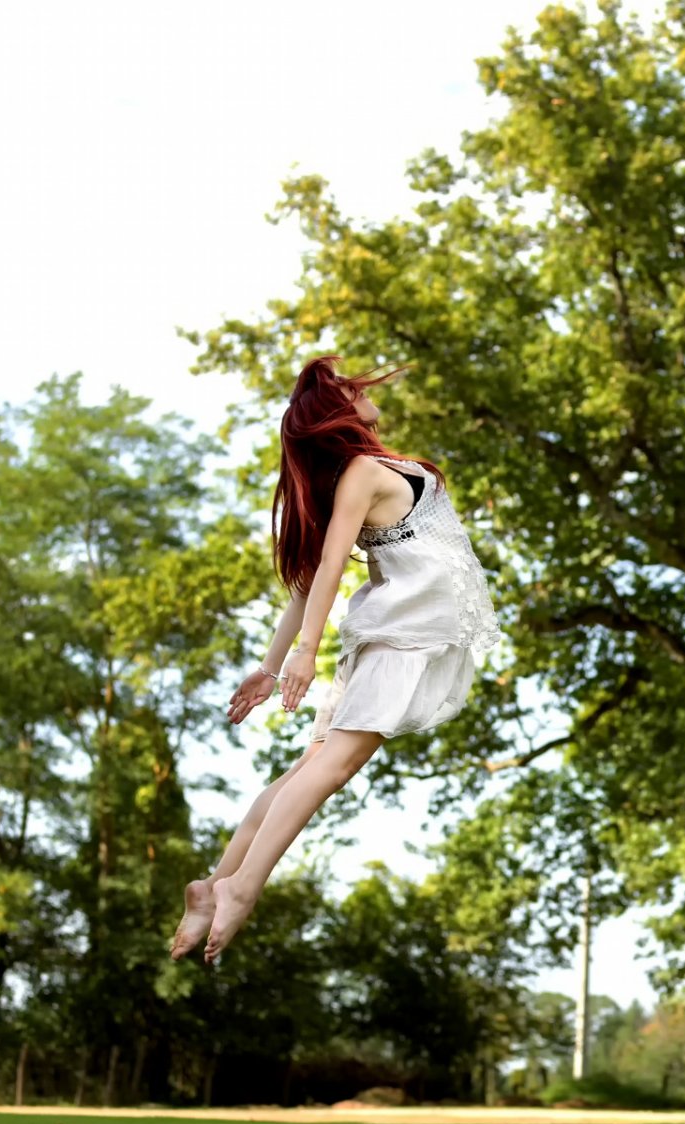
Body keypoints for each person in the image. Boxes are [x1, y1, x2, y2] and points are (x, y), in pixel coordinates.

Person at [169, 355, 503, 964]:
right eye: (352, 390)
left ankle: (211, 885)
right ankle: (241, 889)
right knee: (332, 769)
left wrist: (270, 670)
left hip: (402, 635)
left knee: (308, 770)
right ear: (338, 413)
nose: (364, 392)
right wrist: (298, 658)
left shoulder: (363, 473)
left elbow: (307, 584)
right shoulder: (360, 472)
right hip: (400, 639)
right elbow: (322, 574)